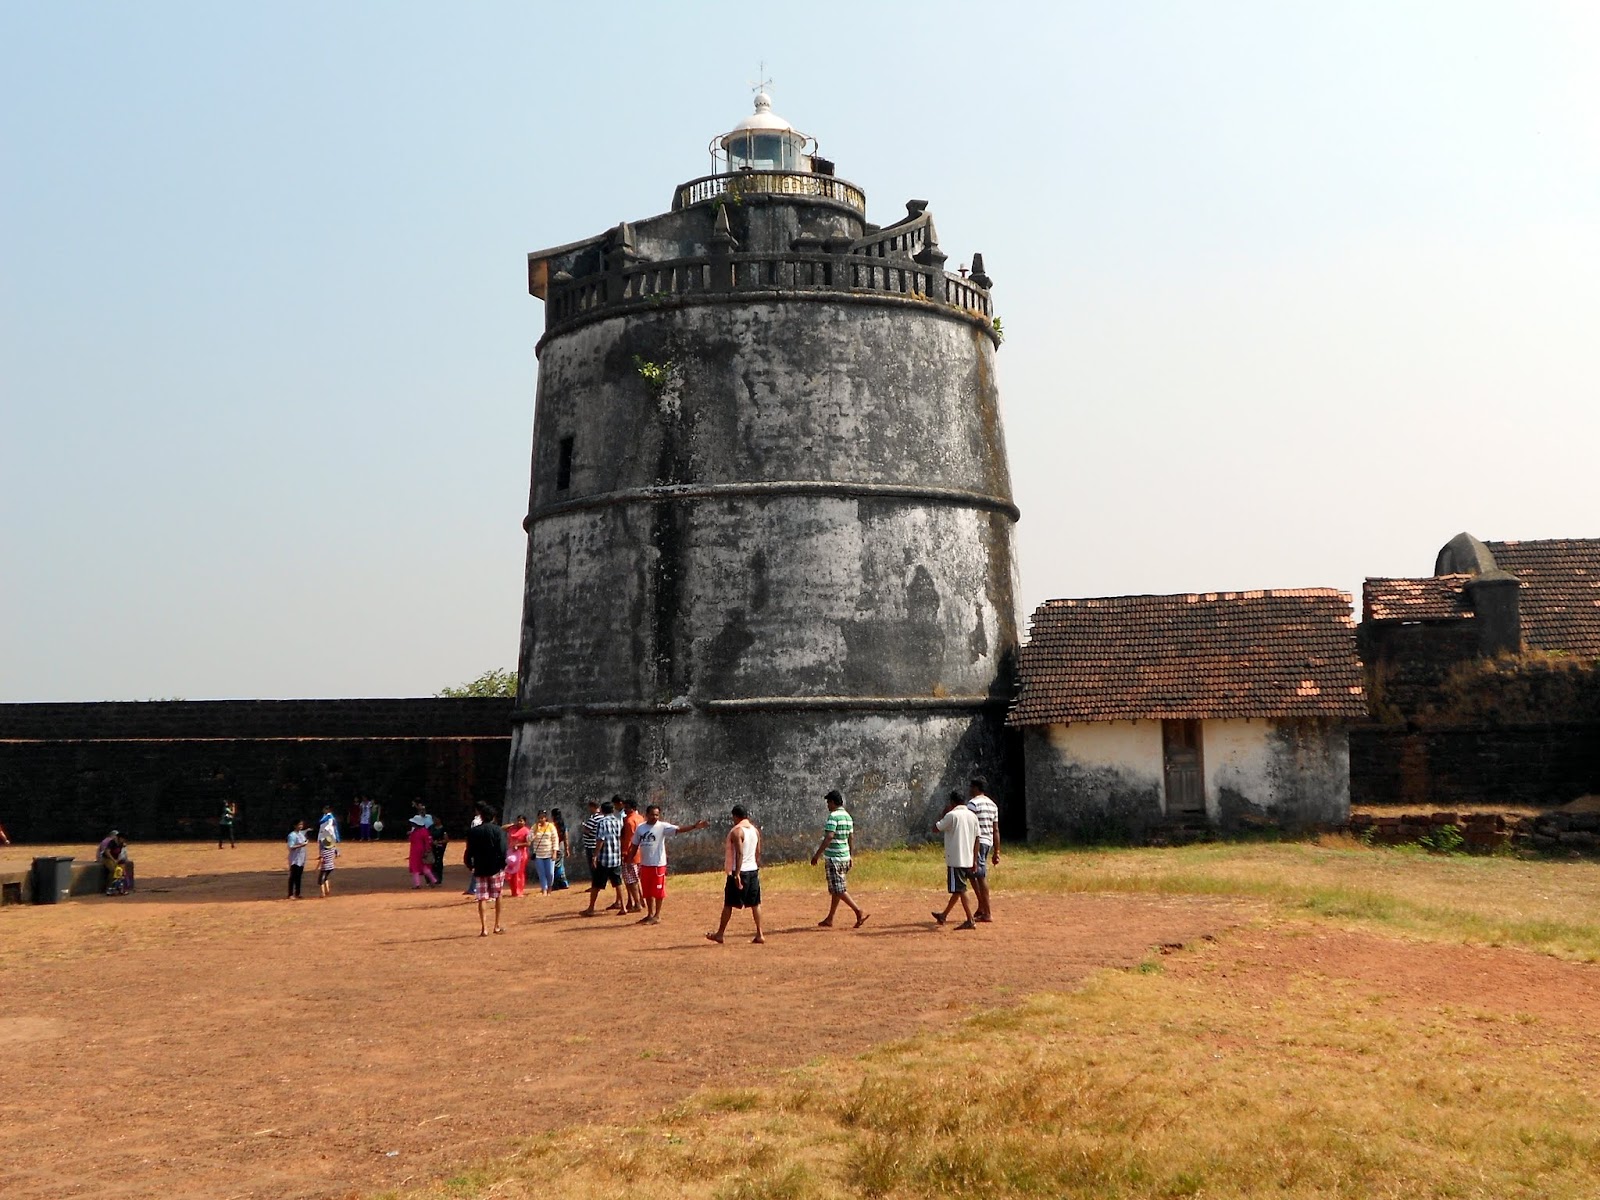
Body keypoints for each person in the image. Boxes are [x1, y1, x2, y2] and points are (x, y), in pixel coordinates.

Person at [632, 803, 707, 924]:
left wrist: (694, 826)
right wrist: (630, 859)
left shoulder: (662, 827)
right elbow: (635, 845)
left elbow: (678, 830)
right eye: (652, 814)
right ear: (646, 815)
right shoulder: (640, 828)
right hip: (645, 865)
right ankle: (650, 914)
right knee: (647, 891)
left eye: (657, 815)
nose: (655, 817)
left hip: (658, 865)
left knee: (658, 891)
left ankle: (657, 915)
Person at [706, 805, 763, 945]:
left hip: (740, 871)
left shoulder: (737, 832)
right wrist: (755, 866)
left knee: (728, 904)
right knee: (755, 903)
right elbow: (758, 851)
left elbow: (739, 853)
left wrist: (736, 874)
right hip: (752, 871)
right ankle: (760, 933)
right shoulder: (754, 831)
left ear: (735, 816)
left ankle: (720, 934)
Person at [810, 789, 867, 929]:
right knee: (836, 889)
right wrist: (851, 856)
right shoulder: (848, 817)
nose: (827, 805)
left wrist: (817, 855)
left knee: (839, 889)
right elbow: (851, 837)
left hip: (834, 857)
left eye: (828, 802)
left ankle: (858, 910)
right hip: (844, 856)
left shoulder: (833, 817)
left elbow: (829, 836)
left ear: (833, 802)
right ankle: (830, 918)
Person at [931, 791, 980, 930]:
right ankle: (944, 914)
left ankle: (970, 919)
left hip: (955, 859)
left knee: (960, 889)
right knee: (958, 889)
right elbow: (977, 839)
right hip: (968, 858)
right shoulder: (972, 816)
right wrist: (975, 860)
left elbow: (936, 828)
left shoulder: (952, 815)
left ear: (952, 802)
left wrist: (944, 813)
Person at [464, 801, 509, 936]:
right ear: (493, 817)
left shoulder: (474, 832)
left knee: (482, 898)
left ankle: (484, 928)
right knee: (498, 896)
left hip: (480, 868)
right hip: (496, 868)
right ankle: (496, 925)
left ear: (482, 817)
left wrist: (470, 865)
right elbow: (503, 850)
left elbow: (468, 852)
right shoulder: (498, 831)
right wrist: (502, 865)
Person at [965, 776, 1000, 923]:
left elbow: (968, 825)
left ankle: (987, 912)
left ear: (976, 788)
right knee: (973, 873)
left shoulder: (972, 804)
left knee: (979, 875)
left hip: (976, 843)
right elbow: (996, 829)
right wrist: (997, 851)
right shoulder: (992, 805)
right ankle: (981, 907)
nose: (969, 789)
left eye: (971, 787)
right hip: (988, 842)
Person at [580, 801, 625, 916]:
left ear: (603, 811)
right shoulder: (618, 821)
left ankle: (591, 908)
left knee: (596, 884)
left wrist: (595, 855)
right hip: (616, 857)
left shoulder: (602, 822)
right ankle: (623, 906)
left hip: (605, 858)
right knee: (617, 882)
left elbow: (600, 840)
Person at [619, 798, 645, 914]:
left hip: (631, 854)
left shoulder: (629, 821)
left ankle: (637, 903)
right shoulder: (640, 818)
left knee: (631, 880)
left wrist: (625, 855)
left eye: (626, 807)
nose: (625, 809)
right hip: (641, 853)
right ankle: (640, 900)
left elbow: (628, 841)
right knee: (636, 878)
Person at [531, 810, 559, 894]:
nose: (541, 819)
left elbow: (555, 839)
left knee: (550, 873)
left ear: (545, 818)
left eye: (542, 818)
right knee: (541, 873)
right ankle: (544, 889)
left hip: (549, 853)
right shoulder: (534, 827)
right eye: (539, 818)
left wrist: (554, 852)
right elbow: (529, 839)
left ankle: (550, 887)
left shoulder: (551, 826)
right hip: (539, 855)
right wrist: (535, 832)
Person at [98, 830, 134, 895]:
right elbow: (107, 852)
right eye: (122, 839)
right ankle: (109, 888)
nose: (123, 840)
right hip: (107, 858)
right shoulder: (112, 842)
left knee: (121, 871)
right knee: (113, 870)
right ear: (118, 838)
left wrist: (118, 860)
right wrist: (113, 860)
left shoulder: (121, 844)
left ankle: (120, 887)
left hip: (115, 858)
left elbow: (120, 853)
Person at [504, 815, 531, 898]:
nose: (519, 822)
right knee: (511, 872)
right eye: (518, 820)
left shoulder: (526, 831)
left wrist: (518, 845)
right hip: (511, 854)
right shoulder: (512, 829)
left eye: (521, 821)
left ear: (525, 822)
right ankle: (513, 891)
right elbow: (502, 828)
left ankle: (519, 891)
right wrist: (512, 825)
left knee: (519, 873)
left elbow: (528, 843)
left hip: (521, 854)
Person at [408, 815, 438, 887]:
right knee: (424, 867)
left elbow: (412, 839)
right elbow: (427, 841)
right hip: (421, 850)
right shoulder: (424, 831)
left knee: (416, 867)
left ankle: (417, 884)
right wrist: (427, 850)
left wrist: (427, 850)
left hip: (416, 851)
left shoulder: (416, 831)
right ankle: (433, 880)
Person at [286, 821, 308, 899]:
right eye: (299, 824)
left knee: (299, 876)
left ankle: (298, 893)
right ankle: (290, 894)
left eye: (302, 824)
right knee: (293, 876)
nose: (301, 826)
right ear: (295, 825)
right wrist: (302, 845)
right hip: (294, 858)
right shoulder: (292, 835)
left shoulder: (301, 834)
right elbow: (290, 846)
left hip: (301, 858)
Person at [317, 822, 340, 897]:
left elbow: (322, 860)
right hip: (331, 866)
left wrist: (316, 868)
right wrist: (336, 854)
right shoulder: (333, 849)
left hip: (325, 867)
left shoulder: (324, 851)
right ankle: (328, 890)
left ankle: (323, 893)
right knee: (326, 877)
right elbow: (337, 852)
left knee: (321, 880)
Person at [550, 807, 570, 890]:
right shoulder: (563, 825)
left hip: (552, 846)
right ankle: (563, 882)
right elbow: (566, 838)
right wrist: (567, 849)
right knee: (560, 864)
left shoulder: (551, 825)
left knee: (554, 865)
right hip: (560, 845)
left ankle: (556, 883)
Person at [430, 821, 449, 890]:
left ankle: (438, 879)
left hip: (440, 847)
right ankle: (432, 879)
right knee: (432, 862)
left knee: (438, 862)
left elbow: (446, 839)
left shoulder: (443, 829)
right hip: (433, 847)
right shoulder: (431, 827)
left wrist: (438, 842)